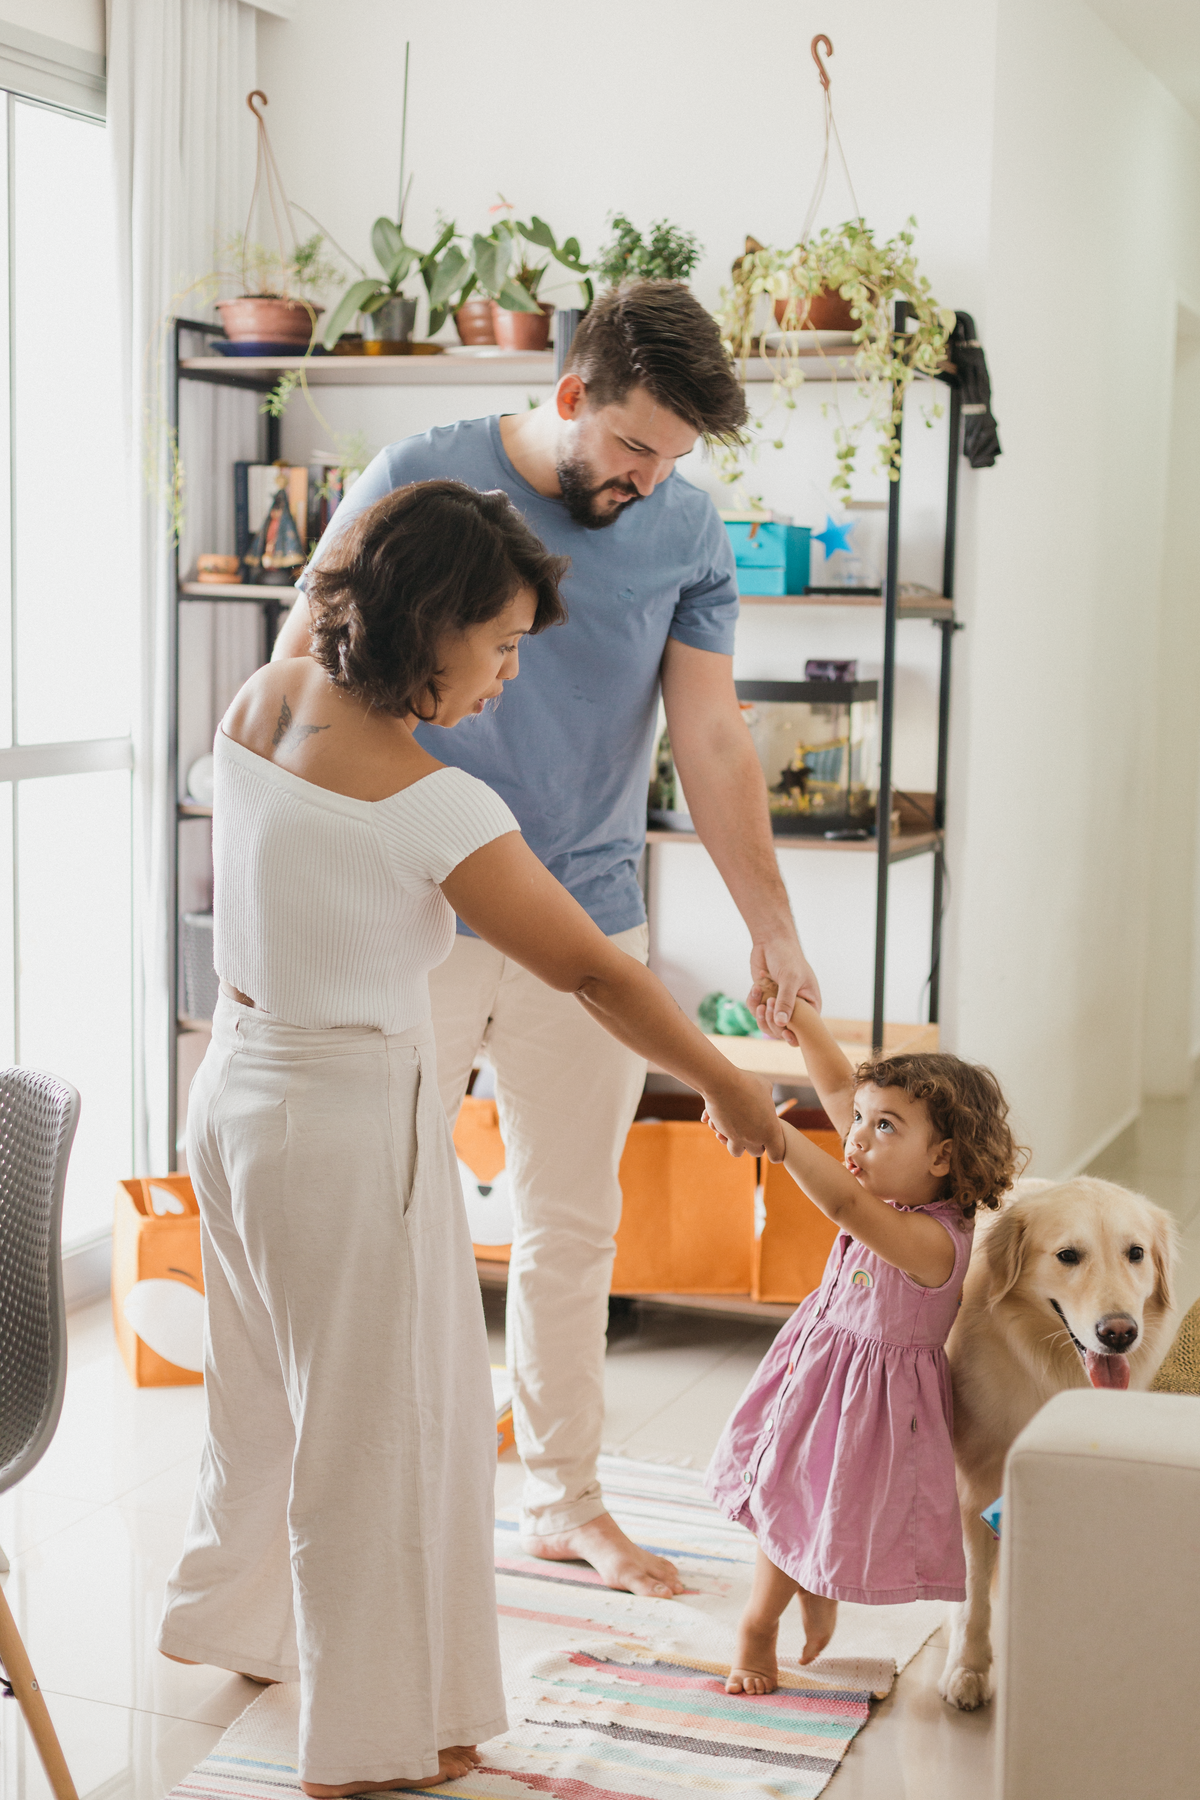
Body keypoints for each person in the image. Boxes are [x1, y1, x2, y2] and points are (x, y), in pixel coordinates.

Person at [159, 481, 781, 1794]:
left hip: (235, 1090)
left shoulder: (261, 702)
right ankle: (364, 1740)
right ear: (426, 624)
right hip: (342, 1124)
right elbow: (600, 978)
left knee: (263, 1397)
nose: (509, 674)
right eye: (498, 644)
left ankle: (240, 1625)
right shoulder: (436, 806)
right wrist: (726, 1085)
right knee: (374, 1439)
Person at [272, 280, 822, 1598]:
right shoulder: (423, 475)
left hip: (584, 905)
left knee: (573, 1222)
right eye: (634, 448)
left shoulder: (686, 528)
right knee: (387, 1211)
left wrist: (773, 927)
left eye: (676, 459)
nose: (649, 480)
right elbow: (305, 656)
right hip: (412, 905)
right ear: (572, 395)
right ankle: (374, 1500)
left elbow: (711, 736)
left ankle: (565, 1501)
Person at [705, 983, 1022, 1694]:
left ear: (942, 1158)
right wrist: (799, 1019)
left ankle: (759, 1626)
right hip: (820, 1369)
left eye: (884, 1127)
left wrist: (777, 1137)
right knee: (787, 1493)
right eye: (861, 1122)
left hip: (871, 1409)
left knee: (818, 1500)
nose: (854, 1135)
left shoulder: (928, 1238)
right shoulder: (896, 1188)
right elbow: (841, 1086)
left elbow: (844, 1202)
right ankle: (793, 1597)